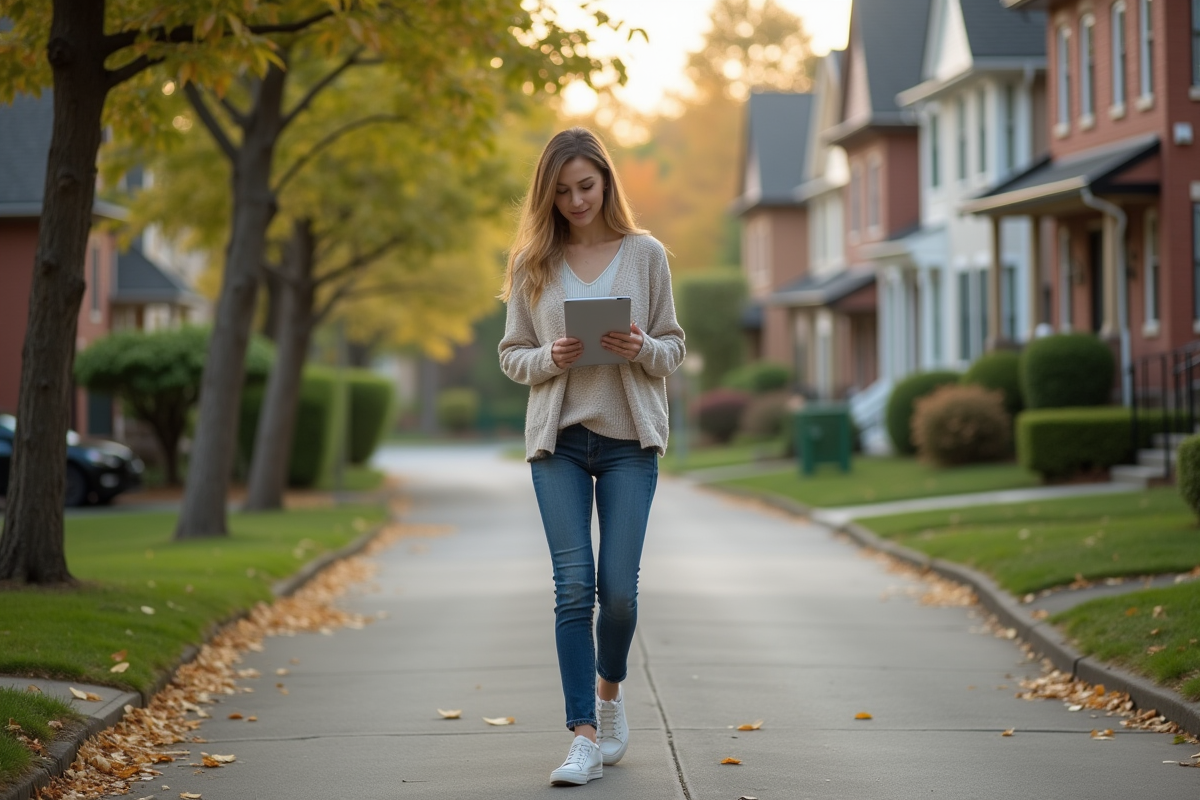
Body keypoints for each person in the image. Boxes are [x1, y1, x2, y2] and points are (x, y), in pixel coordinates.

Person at [498, 127, 685, 786]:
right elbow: (511, 354)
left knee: (621, 596)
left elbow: (672, 347)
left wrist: (639, 348)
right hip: (560, 444)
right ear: (547, 195)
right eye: (563, 190)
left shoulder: (645, 254)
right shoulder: (531, 262)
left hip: (630, 440)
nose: (577, 200)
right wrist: (550, 358)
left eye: (586, 185)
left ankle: (609, 696)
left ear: (605, 180)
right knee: (574, 590)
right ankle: (581, 734)